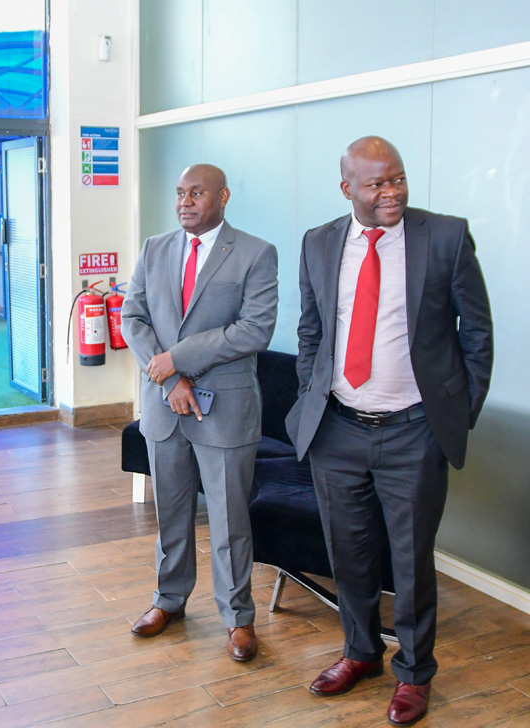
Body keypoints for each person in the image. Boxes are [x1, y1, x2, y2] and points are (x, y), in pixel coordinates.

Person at [286, 136, 493, 726]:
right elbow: (311, 332)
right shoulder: (319, 243)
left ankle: (414, 673)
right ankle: (360, 653)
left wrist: (456, 412)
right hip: (337, 429)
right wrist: (311, 395)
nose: (392, 192)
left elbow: (477, 333)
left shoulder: (446, 236)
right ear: (346, 187)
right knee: (348, 555)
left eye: (397, 178)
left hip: (414, 431)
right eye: (376, 183)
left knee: (410, 559)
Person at [120, 164, 279, 661]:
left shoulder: (255, 253)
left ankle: (237, 618)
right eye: (180, 192)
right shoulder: (154, 248)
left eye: (197, 192)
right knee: (171, 514)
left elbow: (255, 330)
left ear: (223, 195)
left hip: (225, 410)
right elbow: (133, 317)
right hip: (165, 407)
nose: (185, 201)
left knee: (230, 519)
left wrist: (180, 358)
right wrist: (170, 377)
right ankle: (168, 601)